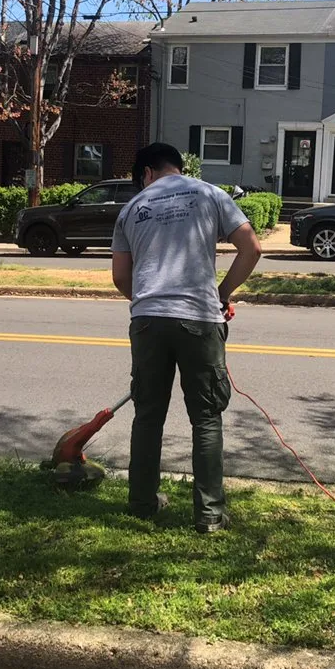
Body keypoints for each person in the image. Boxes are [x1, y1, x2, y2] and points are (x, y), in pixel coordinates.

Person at [111, 142, 261, 532]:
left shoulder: (132, 208)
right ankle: (209, 514)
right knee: (206, 418)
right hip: (199, 319)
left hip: (147, 320)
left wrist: (149, 302)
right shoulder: (211, 194)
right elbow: (251, 248)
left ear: (146, 173)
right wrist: (222, 293)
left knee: (147, 416)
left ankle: (142, 503)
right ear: (178, 166)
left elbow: (120, 278)